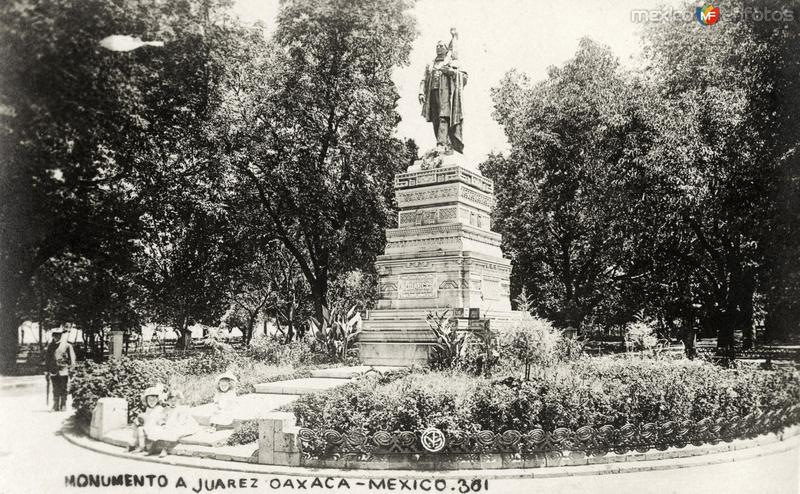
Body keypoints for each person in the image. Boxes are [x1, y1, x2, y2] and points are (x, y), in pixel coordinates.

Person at [418, 28, 468, 156]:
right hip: (432, 94)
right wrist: (421, 93)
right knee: (435, 119)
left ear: (446, 48)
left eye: (441, 46)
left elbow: (464, 77)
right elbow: (424, 79)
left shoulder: (451, 62)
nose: (439, 47)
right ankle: (442, 142)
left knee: (443, 117)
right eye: (437, 46)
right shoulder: (430, 64)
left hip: (446, 94)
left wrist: (450, 72)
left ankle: (441, 144)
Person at [44, 327, 76, 411]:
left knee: (63, 388)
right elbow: (47, 359)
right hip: (53, 370)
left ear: (61, 335)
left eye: (58, 335)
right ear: (52, 335)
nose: (56, 337)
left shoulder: (67, 345)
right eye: (55, 335)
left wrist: (72, 369)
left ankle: (63, 404)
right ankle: (55, 405)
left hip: (64, 370)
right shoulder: (50, 346)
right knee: (55, 388)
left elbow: (72, 358)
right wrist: (46, 371)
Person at [133, 385, 167, 455]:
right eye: (150, 400)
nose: (152, 402)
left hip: (155, 426)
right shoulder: (148, 409)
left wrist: (162, 423)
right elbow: (146, 417)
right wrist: (139, 420)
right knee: (140, 429)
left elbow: (161, 417)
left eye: (154, 400)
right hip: (148, 426)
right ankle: (141, 446)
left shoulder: (159, 408)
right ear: (146, 400)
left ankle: (152, 448)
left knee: (156, 431)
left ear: (157, 400)